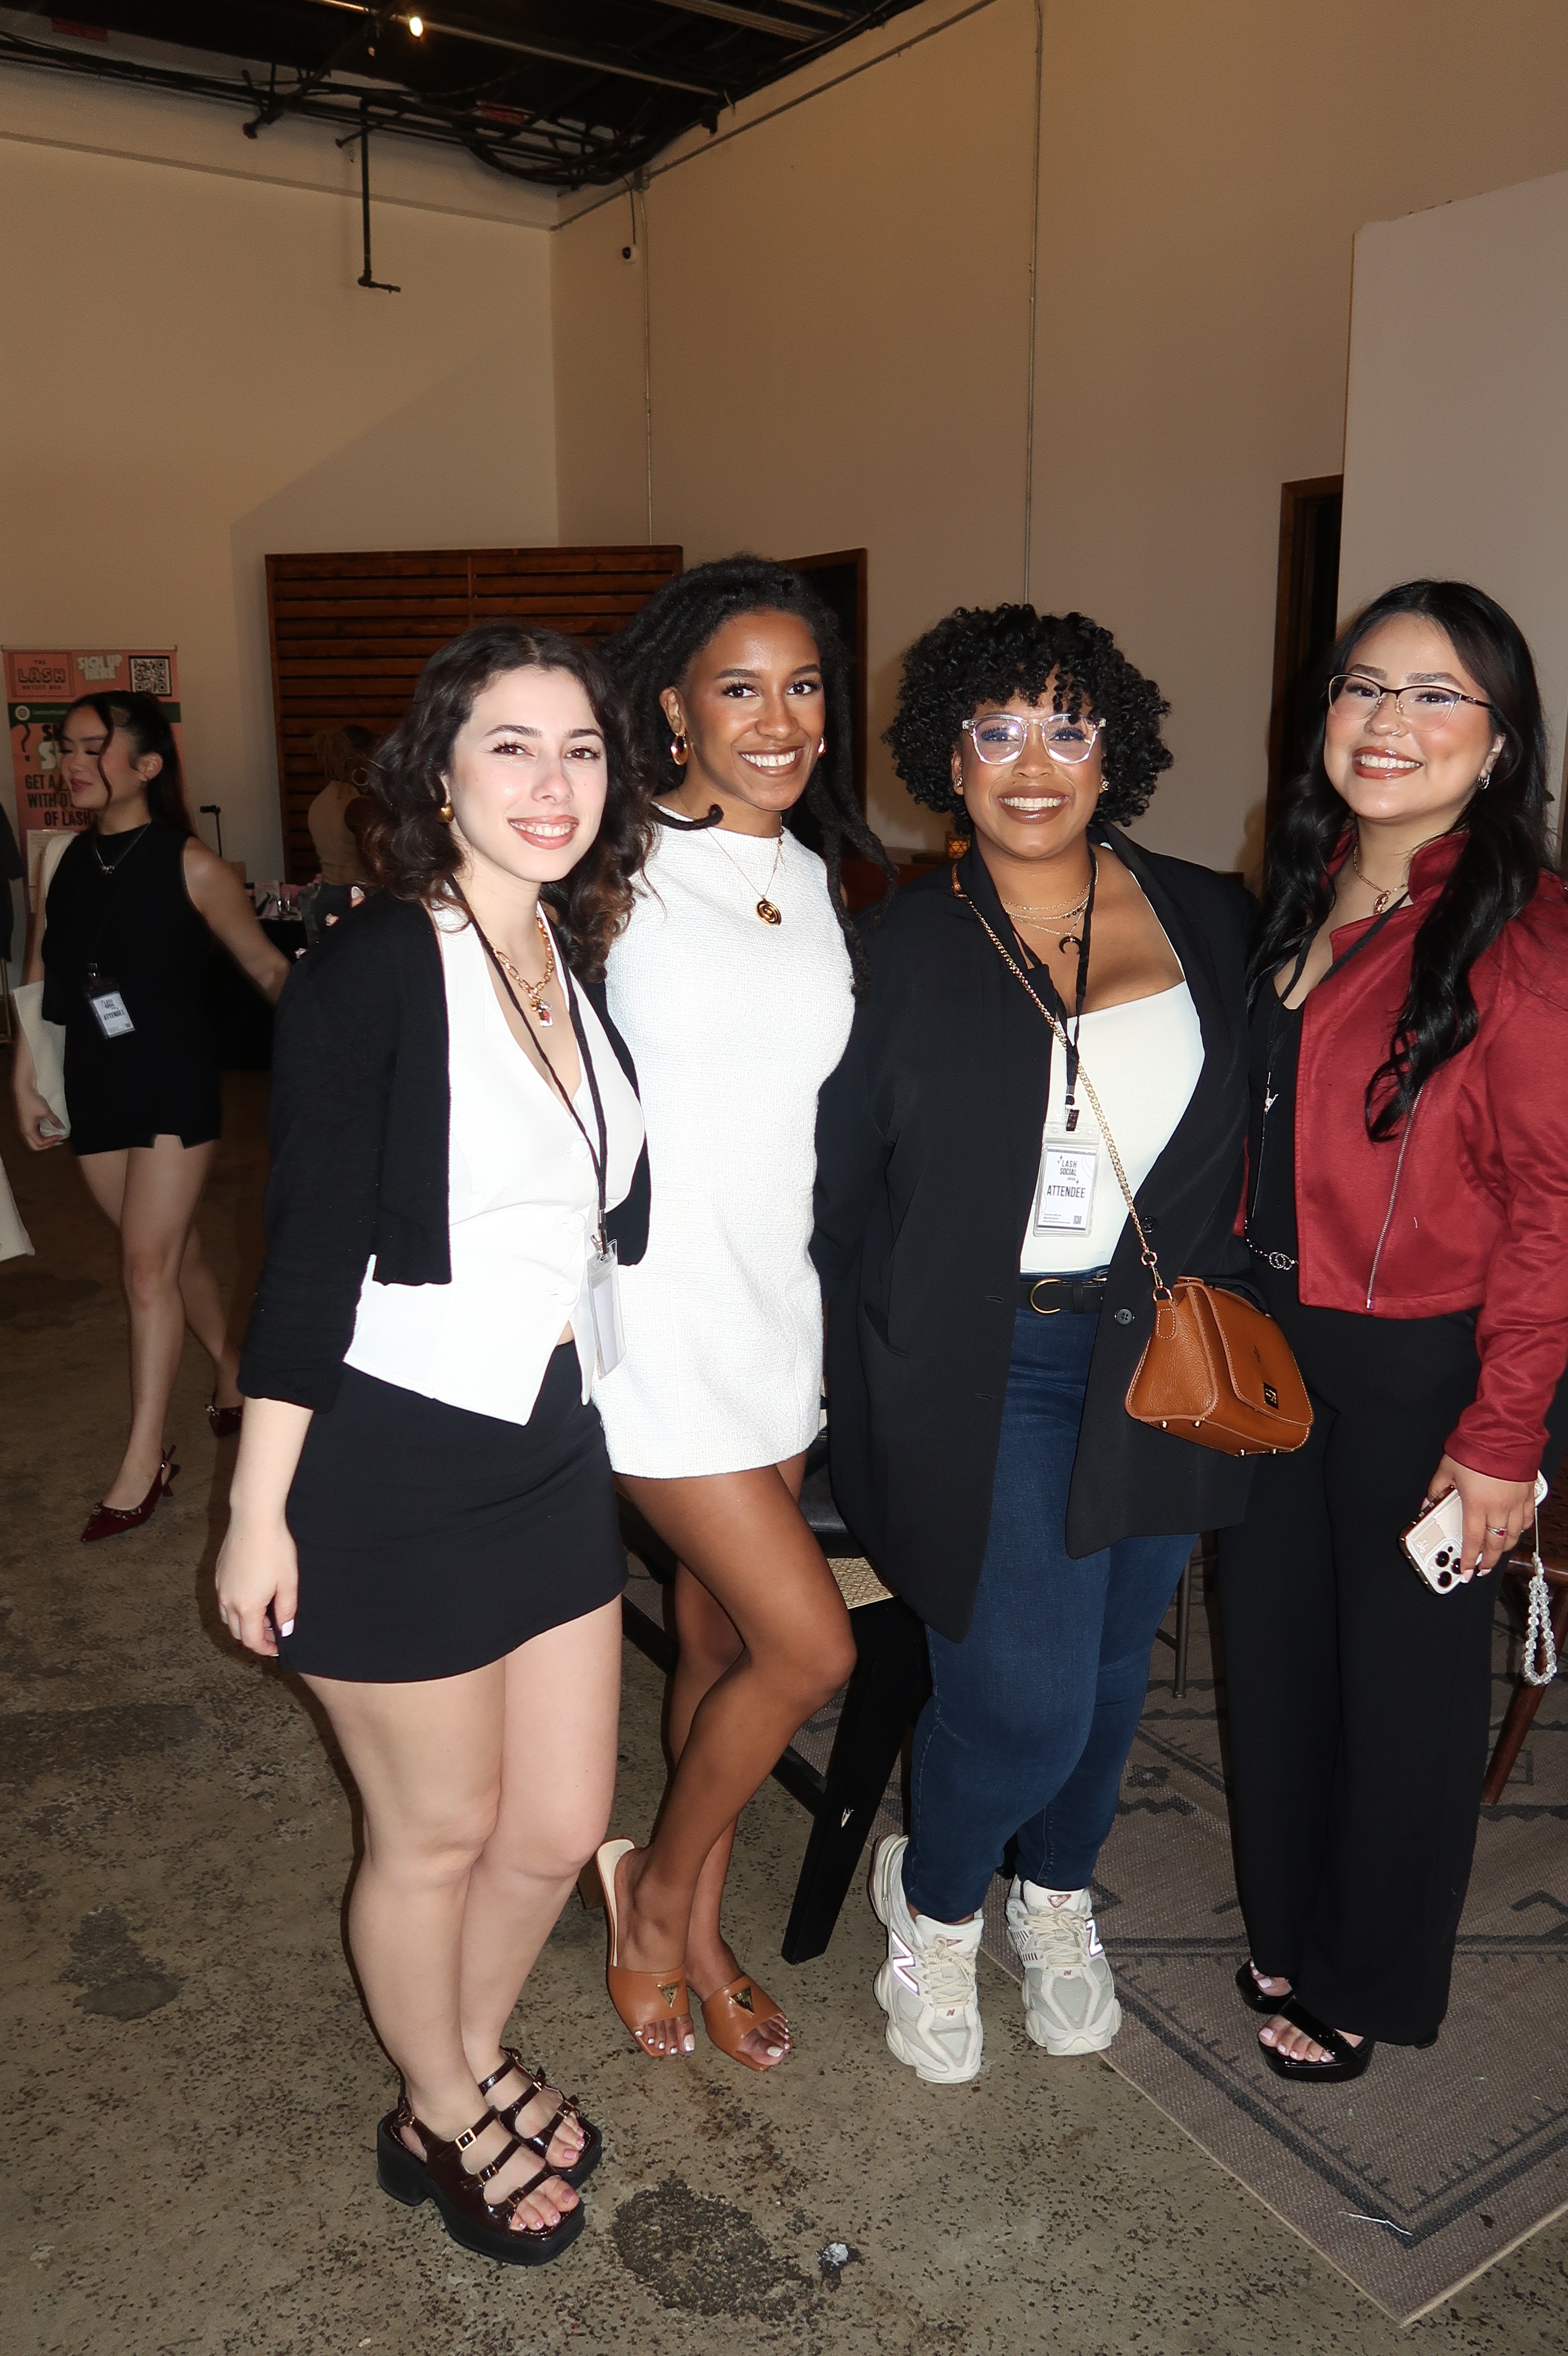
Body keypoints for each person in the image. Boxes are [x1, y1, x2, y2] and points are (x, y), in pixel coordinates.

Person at [215, 623, 652, 2264]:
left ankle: (441, 2074)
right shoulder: (379, 959)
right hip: (386, 1458)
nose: (553, 783)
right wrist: (258, 1513)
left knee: (551, 1826)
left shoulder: (568, 944)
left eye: (583, 749)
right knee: (436, 1833)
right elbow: (311, 1245)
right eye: (512, 745)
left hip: (546, 1435)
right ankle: (452, 2095)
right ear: (438, 772)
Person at [813, 602, 1259, 2086]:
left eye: (1066, 727)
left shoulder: (1211, 913)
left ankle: (1054, 1894)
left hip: (1161, 1357)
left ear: (1112, 747)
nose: (1030, 761)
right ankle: (935, 1899)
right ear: (946, 751)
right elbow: (831, 1188)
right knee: (1019, 1693)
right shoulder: (893, 950)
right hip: (981, 1364)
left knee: (1120, 1663)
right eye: (995, 728)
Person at [1218, 579, 1568, 2083]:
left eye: (1435, 695)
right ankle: (1287, 1911)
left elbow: (1553, 1211)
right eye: (1363, 687)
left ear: (1500, 742)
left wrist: (1503, 1437)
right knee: (1272, 1652)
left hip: (1433, 1362)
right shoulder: (1308, 882)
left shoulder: (1543, 939)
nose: (1389, 722)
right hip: (1275, 1340)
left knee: (1401, 1688)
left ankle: (1365, 1971)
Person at [590, 556, 892, 2070]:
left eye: (803, 685)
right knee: (808, 1649)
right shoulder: (611, 861)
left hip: (780, 1315)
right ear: (670, 706)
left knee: (714, 1651)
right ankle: (649, 1907)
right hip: (652, 1323)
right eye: (738, 686)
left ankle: (698, 1929)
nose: (778, 718)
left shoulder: (820, 875)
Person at [11, 693, 289, 1540]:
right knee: (173, 1252)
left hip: (172, 1084)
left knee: (143, 1268)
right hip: (95, 1081)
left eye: (94, 746)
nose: (73, 761)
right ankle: (233, 1372)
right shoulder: (57, 858)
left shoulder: (195, 864)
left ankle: (145, 1458)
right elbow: (40, 978)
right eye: (66, 746)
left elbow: (267, 970)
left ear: (148, 764)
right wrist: (25, 1077)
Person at [301, 723, 376, 947]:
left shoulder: (319, 802)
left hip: (326, 896)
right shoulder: (357, 804)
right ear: (361, 758)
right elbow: (375, 863)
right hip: (355, 898)